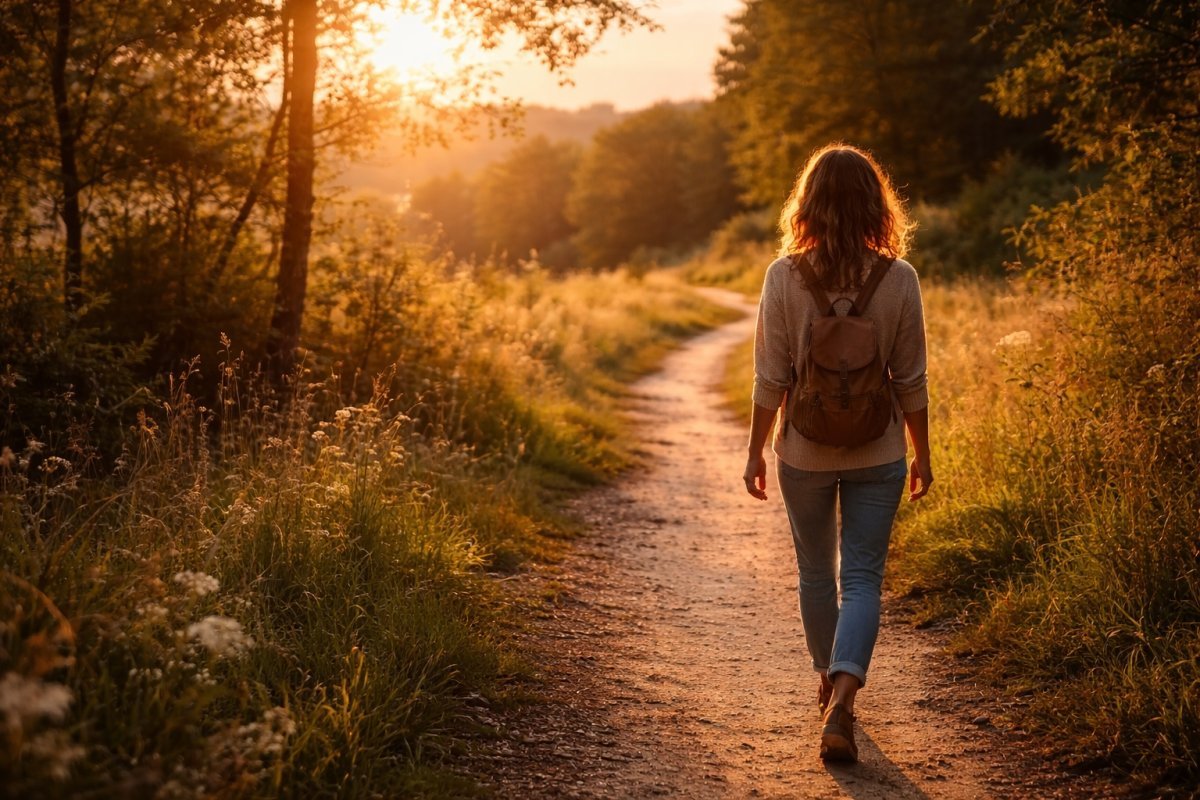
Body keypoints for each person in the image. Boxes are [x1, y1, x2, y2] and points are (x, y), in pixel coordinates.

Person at [742, 144, 933, 763]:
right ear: (877, 204)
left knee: (816, 575)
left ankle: (829, 685)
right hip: (879, 450)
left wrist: (755, 453)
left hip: (804, 450)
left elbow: (770, 377)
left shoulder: (783, 275)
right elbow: (911, 380)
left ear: (809, 204)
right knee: (863, 579)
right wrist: (921, 453)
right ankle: (845, 697)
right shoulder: (899, 279)